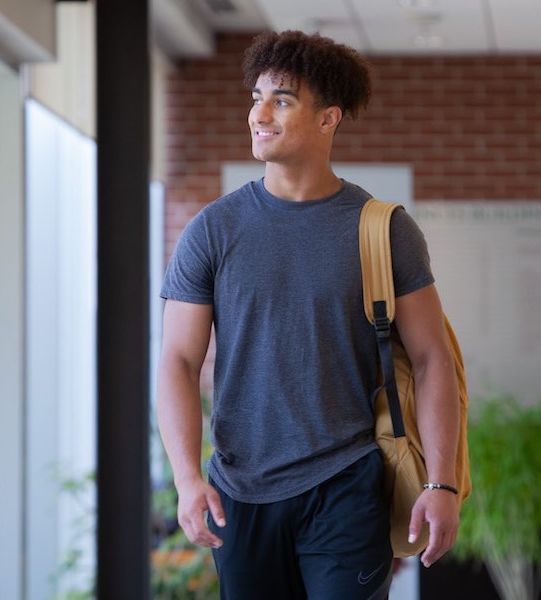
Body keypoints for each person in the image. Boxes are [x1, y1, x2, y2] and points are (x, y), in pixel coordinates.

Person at [156, 29, 461, 599]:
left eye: (282, 99)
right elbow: (176, 359)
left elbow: (431, 359)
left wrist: (442, 481)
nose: (259, 113)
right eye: (256, 97)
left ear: (329, 119)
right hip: (240, 491)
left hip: (346, 484)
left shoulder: (384, 230)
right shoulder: (213, 230)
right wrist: (186, 476)